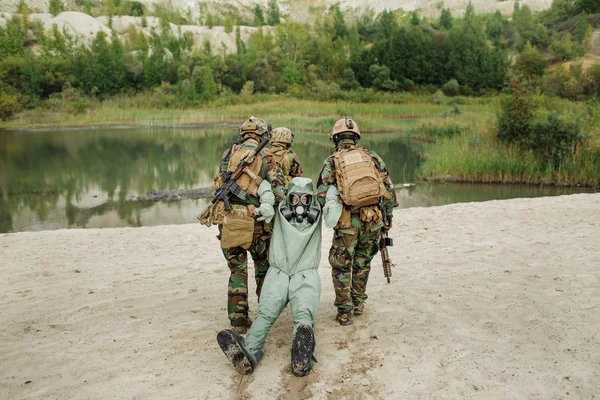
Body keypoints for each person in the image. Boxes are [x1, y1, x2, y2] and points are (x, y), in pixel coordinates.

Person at [217, 177, 322, 377]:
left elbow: (262, 183)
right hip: (297, 274)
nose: (299, 206)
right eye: (295, 200)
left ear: (311, 200)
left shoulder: (283, 203)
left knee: (288, 314)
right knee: (287, 313)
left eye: (305, 200)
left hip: (288, 273)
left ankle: (287, 351)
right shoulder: (314, 205)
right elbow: (333, 215)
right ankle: (262, 352)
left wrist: (266, 198)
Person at [203, 116, 286, 334]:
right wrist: (262, 193)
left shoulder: (228, 154)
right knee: (263, 270)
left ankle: (238, 323)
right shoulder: (266, 156)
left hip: (230, 222)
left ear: (243, 133)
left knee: (237, 272)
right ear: (261, 134)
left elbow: (220, 181)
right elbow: (278, 193)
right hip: (257, 224)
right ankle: (265, 318)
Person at [317, 116, 395, 326]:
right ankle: (358, 303)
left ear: (336, 139)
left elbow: (322, 195)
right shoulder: (372, 157)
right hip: (373, 221)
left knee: (342, 266)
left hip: (347, 224)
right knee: (362, 263)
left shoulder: (332, 161)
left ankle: (344, 313)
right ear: (356, 138)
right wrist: (387, 220)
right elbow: (388, 190)